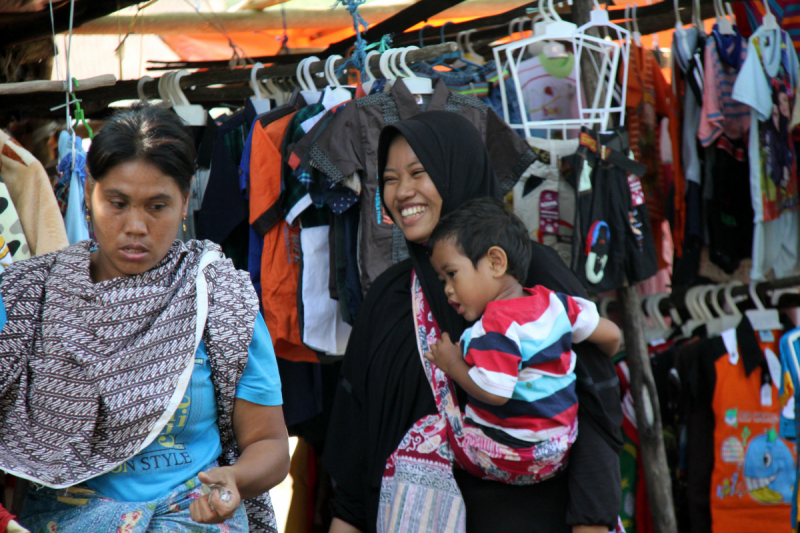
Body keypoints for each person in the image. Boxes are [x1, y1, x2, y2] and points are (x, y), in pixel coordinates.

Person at [323, 111, 623, 533]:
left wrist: (590, 525)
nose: (402, 191)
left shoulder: (527, 275)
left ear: (456, 169)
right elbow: (355, 439)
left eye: (418, 172)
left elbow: (594, 409)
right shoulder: (389, 296)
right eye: (390, 179)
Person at [0, 103, 290, 533]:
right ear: (90, 192)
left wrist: (235, 478)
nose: (135, 226)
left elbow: (269, 445)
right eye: (117, 203)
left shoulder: (217, 297)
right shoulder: (28, 296)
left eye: (157, 206)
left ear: (185, 200)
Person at [425, 197, 621, 484]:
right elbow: (613, 335)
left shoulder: (494, 327)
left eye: (452, 275)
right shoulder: (557, 304)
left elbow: (495, 392)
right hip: (560, 448)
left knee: (422, 437)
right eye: (442, 280)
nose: (447, 290)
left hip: (509, 457)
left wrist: (453, 364)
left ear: (495, 262)